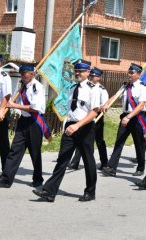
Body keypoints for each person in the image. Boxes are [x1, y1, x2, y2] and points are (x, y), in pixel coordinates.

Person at [33, 59, 100, 202]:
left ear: (88, 72)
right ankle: (50, 191)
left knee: (88, 160)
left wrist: (78, 125)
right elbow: (71, 110)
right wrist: (68, 125)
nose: (77, 73)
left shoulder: (93, 89)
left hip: (85, 127)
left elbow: (94, 112)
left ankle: (90, 192)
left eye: (81, 71)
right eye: (76, 70)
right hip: (70, 127)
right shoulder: (72, 88)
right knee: (62, 159)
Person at [0, 63, 50, 188]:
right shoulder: (21, 87)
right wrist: (3, 110)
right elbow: (12, 101)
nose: (23, 77)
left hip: (34, 122)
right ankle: (6, 179)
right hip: (23, 121)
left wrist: (14, 106)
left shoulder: (38, 87)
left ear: (32, 74)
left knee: (35, 152)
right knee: (15, 150)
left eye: (25, 74)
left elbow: (35, 108)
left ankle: (38, 178)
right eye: (22, 74)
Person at [102, 63, 146, 177]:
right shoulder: (125, 86)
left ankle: (140, 167)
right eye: (128, 72)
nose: (129, 74)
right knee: (119, 141)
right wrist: (107, 103)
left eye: (132, 73)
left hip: (137, 118)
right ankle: (112, 167)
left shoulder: (143, 87)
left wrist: (129, 117)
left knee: (139, 144)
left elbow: (141, 105)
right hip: (125, 116)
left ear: (138, 74)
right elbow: (116, 95)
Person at [67, 67, 109, 171]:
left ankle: (104, 162)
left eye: (93, 76)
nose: (91, 77)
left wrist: (99, 107)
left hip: (96, 117)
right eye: (91, 75)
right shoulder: (84, 87)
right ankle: (75, 163)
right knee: (81, 140)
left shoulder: (101, 89)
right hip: (85, 117)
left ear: (98, 78)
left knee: (99, 140)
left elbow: (104, 104)